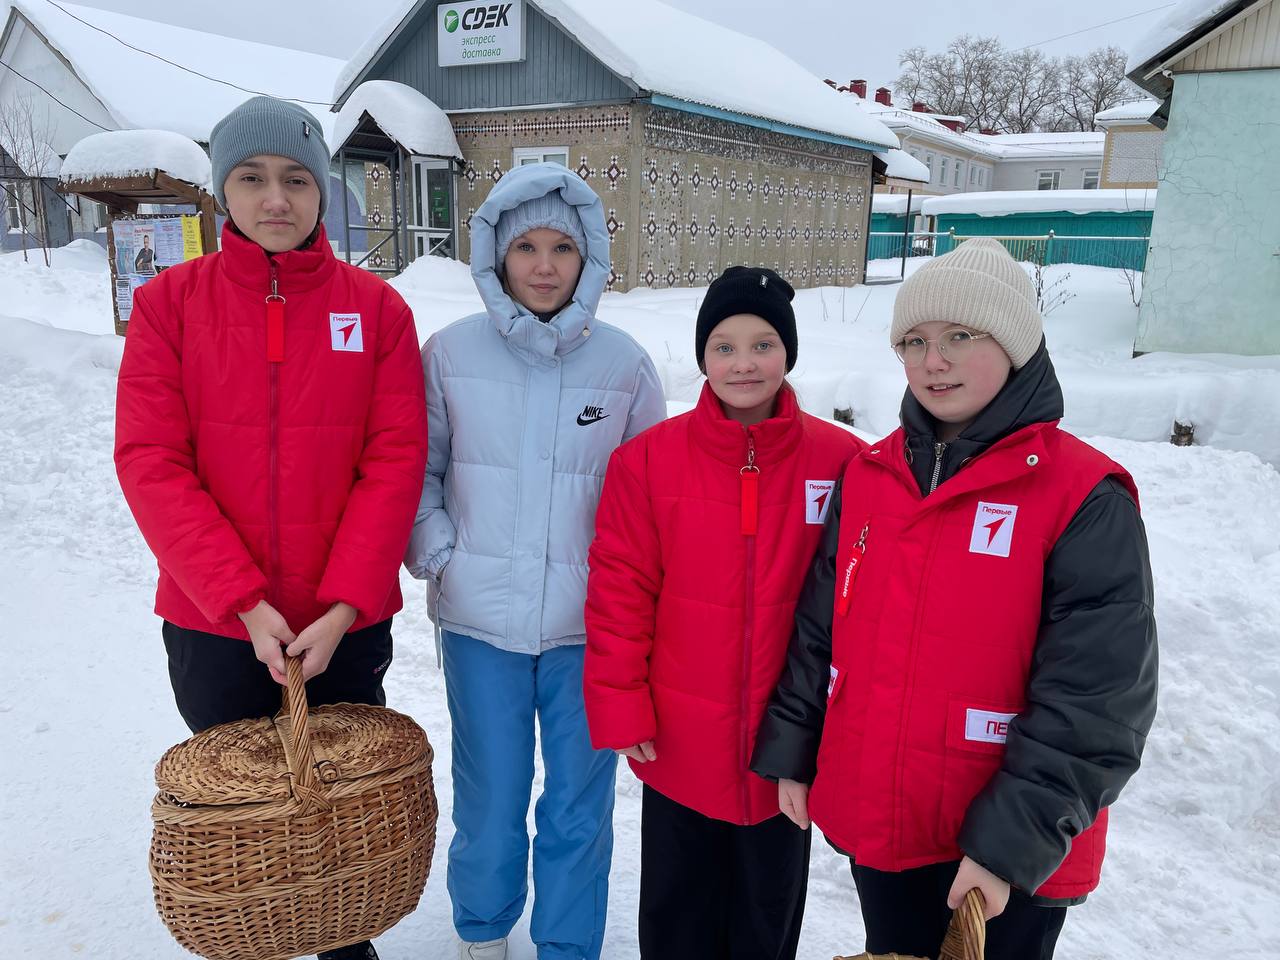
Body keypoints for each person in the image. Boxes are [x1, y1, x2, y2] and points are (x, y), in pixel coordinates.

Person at [752, 238, 1159, 960]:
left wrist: (1007, 847)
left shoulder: (1083, 497)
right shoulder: (871, 475)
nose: (931, 361)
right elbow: (823, 627)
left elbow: (1097, 701)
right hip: (887, 822)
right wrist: (795, 748)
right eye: (914, 341)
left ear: (1016, 343)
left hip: (1006, 853)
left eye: (959, 337)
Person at [114, 96, 429, 960]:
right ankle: (250, 935)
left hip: (344, 627)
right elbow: (151, 461)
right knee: (240, 808)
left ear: (323, 193)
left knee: (336, 803)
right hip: (215, 622)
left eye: (296, 179)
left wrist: (342, 606)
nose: (275, 198)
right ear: (224, 192)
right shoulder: (171, 305)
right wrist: (242, 602)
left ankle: (341, 939)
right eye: (251, 179)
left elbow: (393, 462)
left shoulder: (377, 313)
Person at [405, 162, 665, 960]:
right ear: (495, 254)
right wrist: (440, 552)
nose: (544, 265)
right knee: (490, 797)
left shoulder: (624, 366)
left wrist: (639, 608)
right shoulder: (447, 354)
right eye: (525, 247)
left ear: (589, 257)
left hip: (591, 633)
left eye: (562, 246)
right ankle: (483, 931)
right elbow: (419, 469)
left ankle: (566, 945)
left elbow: (654, 498)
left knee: (578, 807)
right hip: (479, 622)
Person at [583, 266, 863, 960]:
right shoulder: (648, 462)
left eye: (763, 344)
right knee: (679, 910)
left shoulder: (844, 462)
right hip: (680, 741)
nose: (744, 363)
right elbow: (620, 588)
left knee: (766, 917)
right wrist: (621, 702)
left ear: (789, 353)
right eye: (725, 346)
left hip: (786, 748)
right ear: (703, 355)